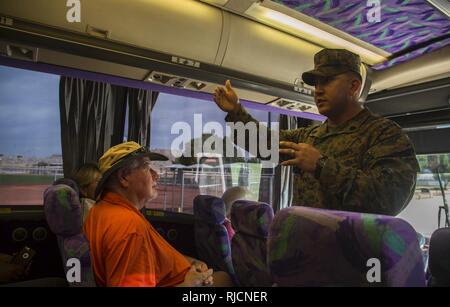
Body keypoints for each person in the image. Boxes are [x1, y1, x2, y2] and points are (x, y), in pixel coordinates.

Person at [213, 48, 419, 216]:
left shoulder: (383, 134)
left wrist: (321, 166)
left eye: (327, 81)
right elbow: (264, 145)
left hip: (350, 259)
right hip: (304, 251)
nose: (318, 90)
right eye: (316, 83)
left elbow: (390, 199)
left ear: (354, 86)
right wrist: (236, 111)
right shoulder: (309, 136)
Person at [84, 141, 232, 287]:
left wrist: (191, 263)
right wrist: (189, 284)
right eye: (147, 167)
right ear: (124, 177)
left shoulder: (101, 210)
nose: (157, 174)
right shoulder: (129, 228)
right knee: (226, 279)